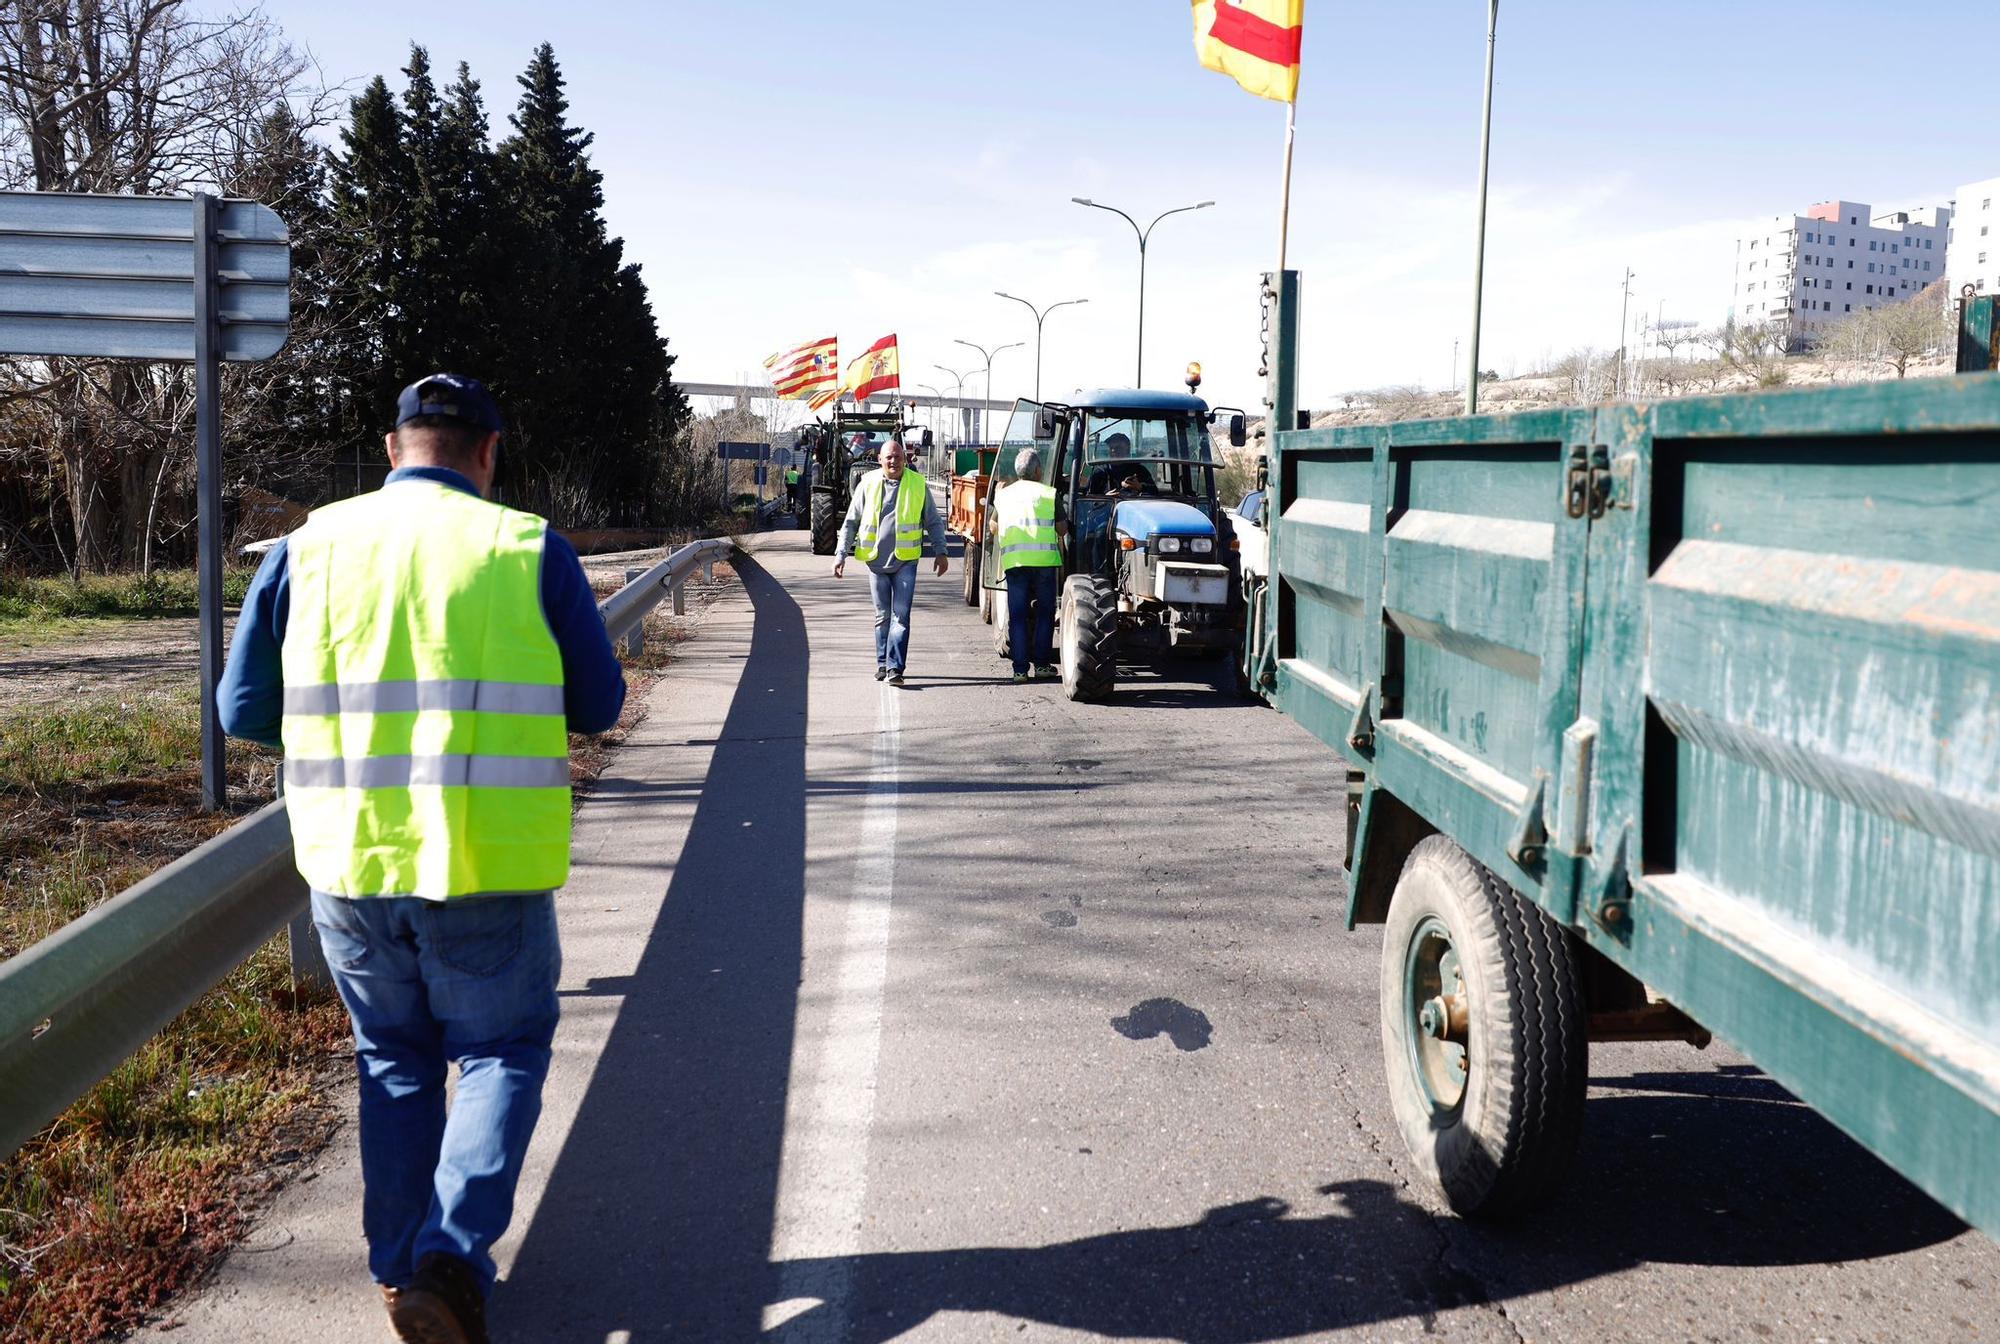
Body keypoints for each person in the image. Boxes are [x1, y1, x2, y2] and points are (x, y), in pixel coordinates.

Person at [216, 373, 626, 1344]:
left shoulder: (304, 550)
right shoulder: (527, 549)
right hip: (488, 865)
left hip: (350, 865)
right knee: (498, 1051)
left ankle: (404, 1272)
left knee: (393, 1061)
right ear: (488, 455)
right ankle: (451, 1255)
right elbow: (601, 706)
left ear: (394, 449)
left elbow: (240, 711)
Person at [832, 436, 947, 684]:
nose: (893, 461)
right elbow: (851, 521)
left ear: (905, 459)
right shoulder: (868, 483)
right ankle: (882, 663)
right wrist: (841, 554)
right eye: (889, 457)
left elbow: (934, 521)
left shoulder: (918, 484)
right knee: (882, 616)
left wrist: (941, 551)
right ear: (880, 460)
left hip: (905, 562)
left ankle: (896, 668)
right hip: (876, 563)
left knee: (901, 615)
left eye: (898, 456)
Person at [994, 447, 1066, 682]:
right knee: (1046, 614)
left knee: (1018, 616)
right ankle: (1043, 666)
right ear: (1037, 470)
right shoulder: (1048, 493)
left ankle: (1020, 670)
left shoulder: (1004, 495)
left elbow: (993, 528)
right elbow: (1062, 529)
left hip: (1015, 563)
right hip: (1044, 564)